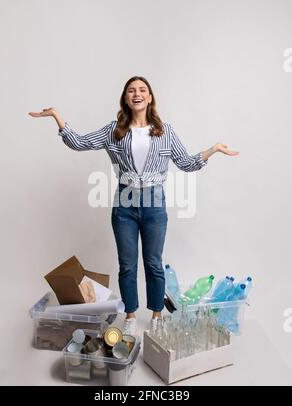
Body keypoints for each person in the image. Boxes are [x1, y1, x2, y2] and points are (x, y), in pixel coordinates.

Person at [29, 75, 239, 335]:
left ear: (150, 97)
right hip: (124, 205)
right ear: (125, 98)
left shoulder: (165, 132)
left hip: (154, 204)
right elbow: (79, 142)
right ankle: (129, 315)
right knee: (127, 264)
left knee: (153, 262)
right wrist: (56, 116)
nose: (137, 94)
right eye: (131, 90)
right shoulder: (113, 130)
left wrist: (213, 149)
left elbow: (186, 163)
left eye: (142, 90)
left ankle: (156, 315)